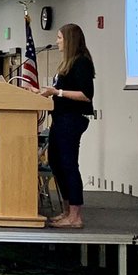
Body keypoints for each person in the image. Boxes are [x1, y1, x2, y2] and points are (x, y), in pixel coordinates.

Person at [40, 23, 96, 229]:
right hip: (60, 119)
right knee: (55, 162)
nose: (57, 42)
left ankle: (75, 216)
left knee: (69, 165)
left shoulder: (81, 63)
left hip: (72, 120)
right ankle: (65, 211)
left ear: (70, 40)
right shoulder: (67, 63)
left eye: (60, 38)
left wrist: (57, 93)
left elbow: (85, 95)